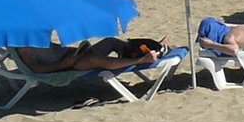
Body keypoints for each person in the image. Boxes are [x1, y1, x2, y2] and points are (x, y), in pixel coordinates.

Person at [14, 37, 166, 73]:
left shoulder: (34, 37)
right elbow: (37, 69)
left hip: (74, 56)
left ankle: (141, 51)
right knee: (95, 60)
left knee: (110, 41)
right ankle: (140, 59)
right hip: (70, 65)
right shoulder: (23, 47)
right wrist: (65, 63)